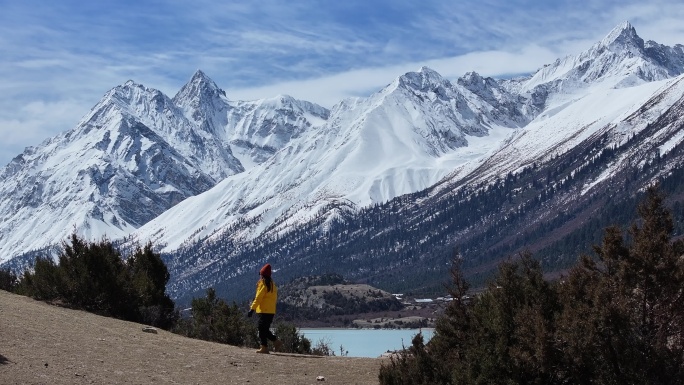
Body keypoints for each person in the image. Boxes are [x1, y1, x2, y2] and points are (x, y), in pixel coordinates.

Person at [248, 263, 283, 354]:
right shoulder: (273, 285)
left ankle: (264, 347)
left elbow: (258, 298)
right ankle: (276, 342)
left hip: (264, 311)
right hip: (271, 311)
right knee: (264, 329)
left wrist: (252, 309)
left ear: (262, 275)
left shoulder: (263, 284)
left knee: (261, 328)